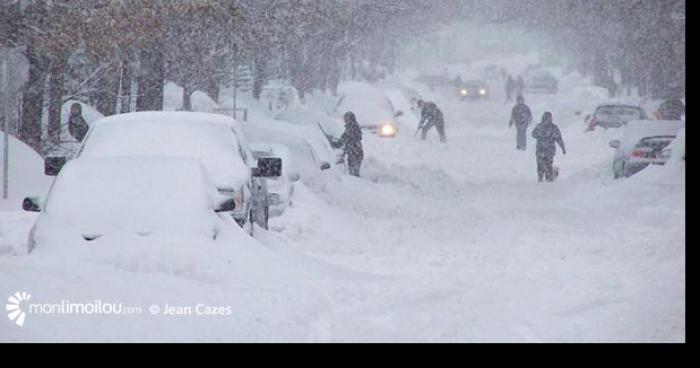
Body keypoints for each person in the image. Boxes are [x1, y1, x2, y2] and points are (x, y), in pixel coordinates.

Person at [532, 112, 566, 182]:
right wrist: (540, 134)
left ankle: (549, 179)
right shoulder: (539, 126)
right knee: (540, 165)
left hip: (549, 151)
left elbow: (559, 138)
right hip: (540, 150)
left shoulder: (553, 128)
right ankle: (540, 178)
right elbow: (533, 134)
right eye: (545, 118)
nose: (546, 120)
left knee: (548, 164)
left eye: (548, 118)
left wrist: (563, 147)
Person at [329, 111, 364, 177]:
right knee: (355, 173)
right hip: (358, 153)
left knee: (353, 175)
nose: (345, 121)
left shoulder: (350, 128)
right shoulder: (355, 127)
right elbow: (348, 139)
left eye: (346, 119)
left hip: (354, 153)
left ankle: (356, 184)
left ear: (349, 119)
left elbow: (344, 138)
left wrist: (335, 144)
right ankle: (357, 183)